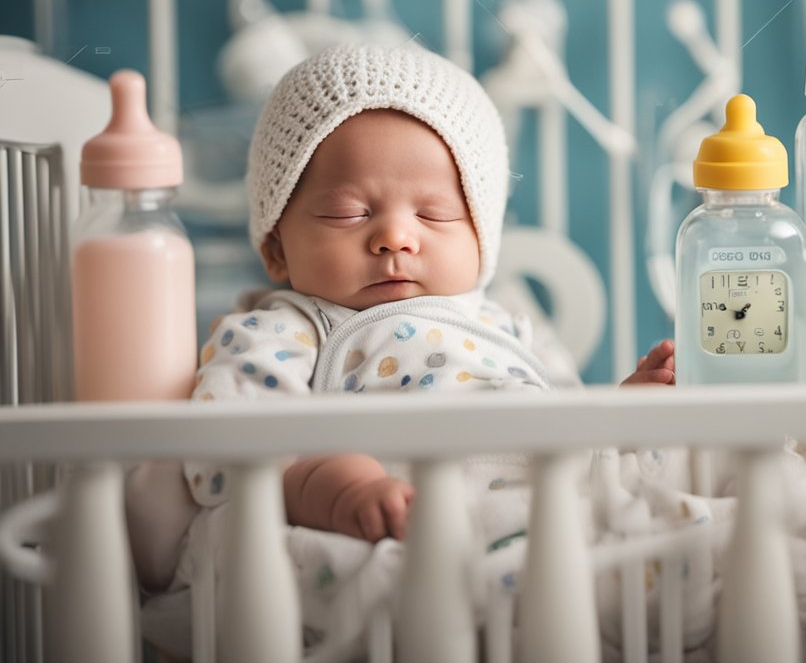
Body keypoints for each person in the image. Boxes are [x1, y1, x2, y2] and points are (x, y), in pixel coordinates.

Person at [184, 43, 674, 544]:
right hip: (406, 532)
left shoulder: (511, 325)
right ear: (276, 249)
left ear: (482, 239)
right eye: (348, 213)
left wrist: (618, 414)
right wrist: (334, 488)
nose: (395, 237)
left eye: (434, 214)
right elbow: (225, 457)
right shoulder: (286, 329)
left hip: (551, 521)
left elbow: (571, 428)